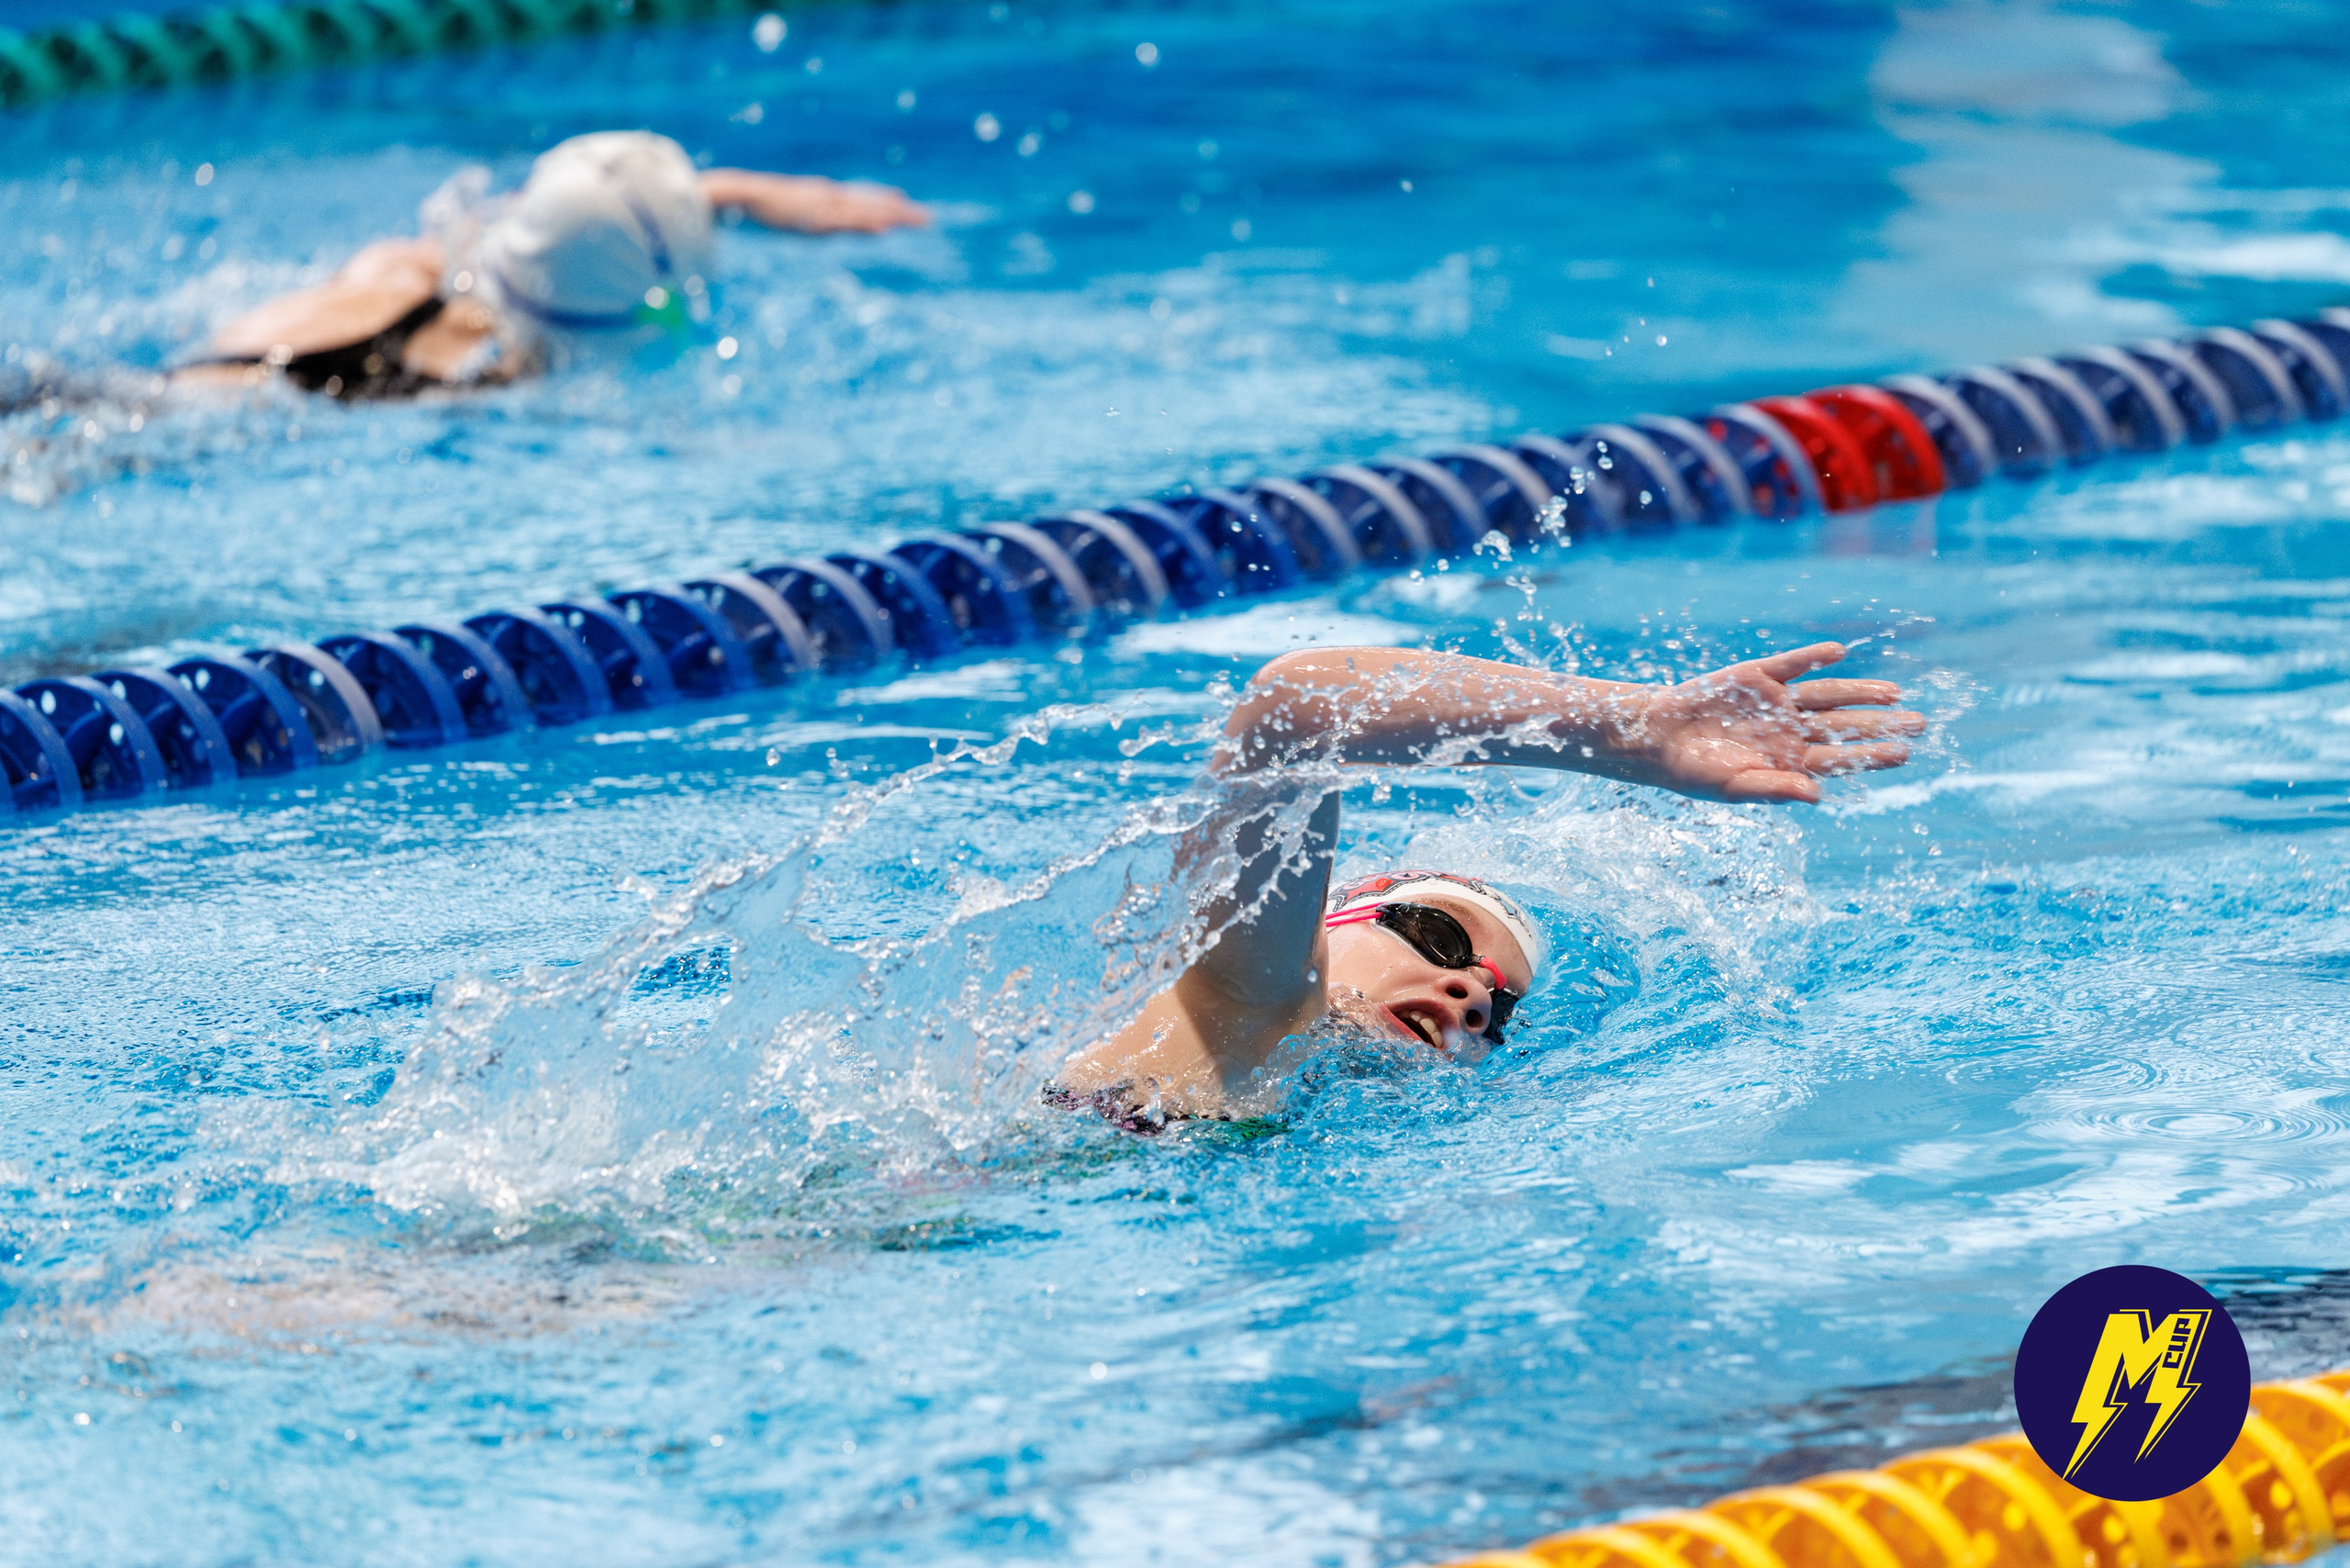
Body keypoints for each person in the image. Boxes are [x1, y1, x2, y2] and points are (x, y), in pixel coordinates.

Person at [1052, 640, 1922, 1127]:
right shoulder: (1250, 997)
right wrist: (1634, 729)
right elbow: (1293, 707)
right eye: (1438, 937)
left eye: (1497, 1012)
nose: (1469, 992)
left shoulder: (1291, 1092)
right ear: (1339, 911)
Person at [175, 129, 929, 400]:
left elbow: (566, 228)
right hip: (184, 422)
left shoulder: (395, 274)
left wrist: (735, 189)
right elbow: (587, 248)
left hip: (154, 391)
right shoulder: (504, 381)